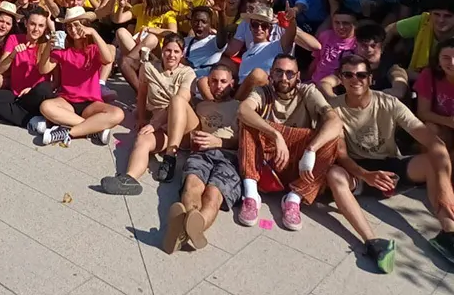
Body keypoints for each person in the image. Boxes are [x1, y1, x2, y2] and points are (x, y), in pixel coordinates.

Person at [326, 52, 454, 270]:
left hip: (390, 165)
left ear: (370, 78)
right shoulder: (334, 108)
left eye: (361, 75)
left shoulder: (389, 103)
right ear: (341, 78)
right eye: (348, 75)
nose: (355, 80)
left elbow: (435, 144)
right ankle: (373, 242)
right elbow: (342, 155)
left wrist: (443, 187)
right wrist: (366, 174)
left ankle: (449, 232)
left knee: (433, 161)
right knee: (334, 175)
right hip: (359, 171)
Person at [236, 54, 341, 231]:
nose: (284, 78)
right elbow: (243, 109)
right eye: (279, 72)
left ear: (298, 76)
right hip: (268, 160)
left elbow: (334, 120)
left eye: (289, 73)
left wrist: (311, 149)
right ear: (271, 74)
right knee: (248, 123)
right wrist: (276, 135)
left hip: (298, 162)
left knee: (330, 138)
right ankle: (251, 195)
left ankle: (294, 198)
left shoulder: (308, 92)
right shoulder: (263, 92)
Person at [101, 33, 198, 194]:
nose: (171, 55)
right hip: (162, 127)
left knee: (176, 100)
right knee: (142, 139)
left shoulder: (188, 73)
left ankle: (170, 158)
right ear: (162, 51)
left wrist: (155, 123)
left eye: (176, 51)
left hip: (185, 126)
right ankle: (129, 180)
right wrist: (141, 117)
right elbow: (142, 94)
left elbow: (182, 99)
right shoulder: (149, 68)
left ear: (182, 53)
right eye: (168, 50)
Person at [162, 63, 240, 253]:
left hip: (229, 157)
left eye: (223, 81)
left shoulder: (241, 107)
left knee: (213, 195)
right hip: (201, 154)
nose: (218, 85)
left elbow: (245, 141)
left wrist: (219, 142)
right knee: (192, 186)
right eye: (214, 81)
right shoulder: (201, 106)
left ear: (232, 83)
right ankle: (191, 227)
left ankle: (184, 230)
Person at [36, 7, 125, 146]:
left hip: (91, 103)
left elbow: (108, 59)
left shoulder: (93, 49)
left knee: (118, 114)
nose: (73, 29)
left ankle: (69, 132)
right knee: (45, 106)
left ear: (85, 25)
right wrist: (49, 45)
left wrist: (94, 33)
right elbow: (43, 69)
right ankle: (93, 129)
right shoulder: (64, 50)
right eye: (69, 26)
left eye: (77, 24)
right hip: (67, 101)